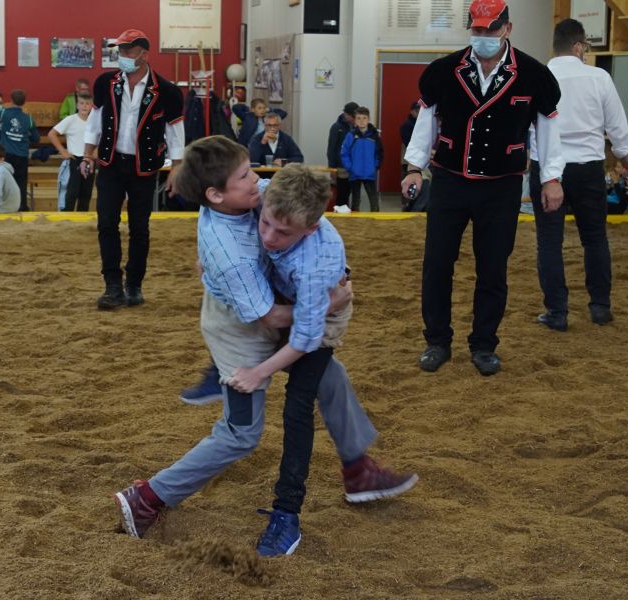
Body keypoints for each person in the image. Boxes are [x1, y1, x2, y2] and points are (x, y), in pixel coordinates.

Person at [113, 137, 416, 553]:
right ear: (216, 193)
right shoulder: (234, 254)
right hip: (240, 329)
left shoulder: (234, 200)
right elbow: (271, 318)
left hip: (255, 304)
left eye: (250, 169)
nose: (255, 179)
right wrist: (329, 301)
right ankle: (148, 497)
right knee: (241, 434)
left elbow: (294, 216)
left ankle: (358, 468)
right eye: (244, 175)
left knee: (330, 376)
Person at [401, 0, 565, 376]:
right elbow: (426, 123)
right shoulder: (444, 71)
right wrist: (414, 167)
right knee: (437, 264)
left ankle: (484, 344)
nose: (483, 37)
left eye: (491, 30)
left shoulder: (534, 75)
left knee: (493, 268)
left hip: (502, 187)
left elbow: (548, 131)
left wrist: (551, 177)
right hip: (449, 182)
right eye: (477, 30)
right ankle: (437, 341)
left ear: (507, 29)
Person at [529, 19, 628, 332]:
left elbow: (527, 127)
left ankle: (557, 312)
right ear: (579, 46)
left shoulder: (539, 76)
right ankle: (600, 307)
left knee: (549, 242)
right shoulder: (599, 78)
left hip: (549, 169)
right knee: (594, 238)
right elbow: (618, 128)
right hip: (589, 168)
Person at [82, 29, 186, 309]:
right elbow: (95, 119)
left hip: (144, 167)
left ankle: (134, 285)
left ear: (144, 54)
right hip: (110, 163)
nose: (123, 56)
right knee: (106, 224)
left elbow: (175, 130)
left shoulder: (167, 90)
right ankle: (112, 286)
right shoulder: (106, 82)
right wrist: (87, 154)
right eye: (120, 51)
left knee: (139, 228)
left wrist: (177, 166)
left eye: (128, 51)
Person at [49, 92, 95, 211]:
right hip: (74, 160)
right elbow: (52, 134)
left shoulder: (94, 121)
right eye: (81, 103)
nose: (84, 106)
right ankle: (67, 217)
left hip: (89, 160)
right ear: (77, 105)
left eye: (87, 104)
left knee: (86, 193)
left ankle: (82, 219)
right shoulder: (70, 120)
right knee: (71, 192)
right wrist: (63, 151)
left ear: (92, 106)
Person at [0, 89, 38, 209]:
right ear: (24, 103)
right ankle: (22, 205)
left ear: (11, 101)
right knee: (21, 182)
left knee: (4, 181)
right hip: (22, 156)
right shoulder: (28, 119)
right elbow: (36, 138)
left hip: (7, 154)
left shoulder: (5, 113)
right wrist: (26, 137)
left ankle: (4, 206)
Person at [339, 107, 383, 212]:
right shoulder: (351, 136)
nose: (362, 121)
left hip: (370, 173)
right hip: (355, 173)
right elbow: (344, 153)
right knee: (355, 201)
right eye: (359, 118)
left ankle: (375, 223)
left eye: (364, 118)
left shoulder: (374, 136)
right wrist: (350, 167)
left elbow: (379, 153)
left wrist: (375, 166)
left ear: (369, 119)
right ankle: (355, 225)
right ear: (355, 120)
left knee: (374, 202)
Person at [326, 102, 357, 212]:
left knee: (355, 196)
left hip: (354, 169)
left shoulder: (358, 127)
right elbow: (331, 149)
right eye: (345, 113)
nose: (345, 115)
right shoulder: (336, 127)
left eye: (347, 113)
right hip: (341, 168)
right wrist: (332, 169)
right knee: (342, 196)